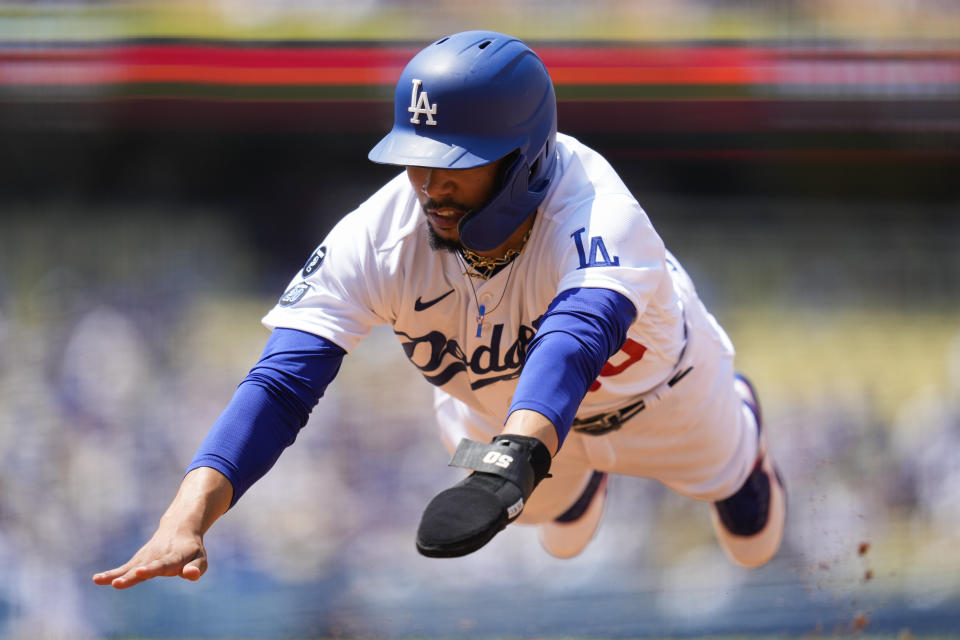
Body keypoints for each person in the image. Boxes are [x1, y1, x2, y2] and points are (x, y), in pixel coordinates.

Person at [93, 30, 785, 589]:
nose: (427, 184)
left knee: (754, 539)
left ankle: (738, 425)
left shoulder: (598, 209)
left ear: (526, 159)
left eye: (455, 162)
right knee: (557, 538)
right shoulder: (382, 233)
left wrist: (514, 461)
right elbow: (280, 383)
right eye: (415, 158)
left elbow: (575, 341)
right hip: (492, 415)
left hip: (663, 398)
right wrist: (188, 515)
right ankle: (571, 485)